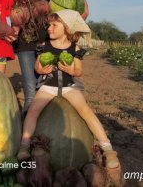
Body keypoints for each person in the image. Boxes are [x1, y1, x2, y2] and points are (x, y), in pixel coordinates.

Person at [17, 9, 119, 171]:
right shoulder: (44, 46)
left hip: (68, 87)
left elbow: (79, 71)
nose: (49, 28)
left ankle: (108, 149)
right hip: (48, 86)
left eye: (54, 25)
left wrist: (71, 70)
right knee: (33, 110)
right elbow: (37, 66)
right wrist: (41, 70)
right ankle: (24, 146)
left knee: (86, 111)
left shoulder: (75, 49)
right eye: (49, 25)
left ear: (68, 29)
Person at [3, 0, 89, 112]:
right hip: (25, 46)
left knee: (50, 91)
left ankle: (46, 131)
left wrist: (82, 10)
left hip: (50, 44)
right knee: (31, 95)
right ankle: (27, 135)